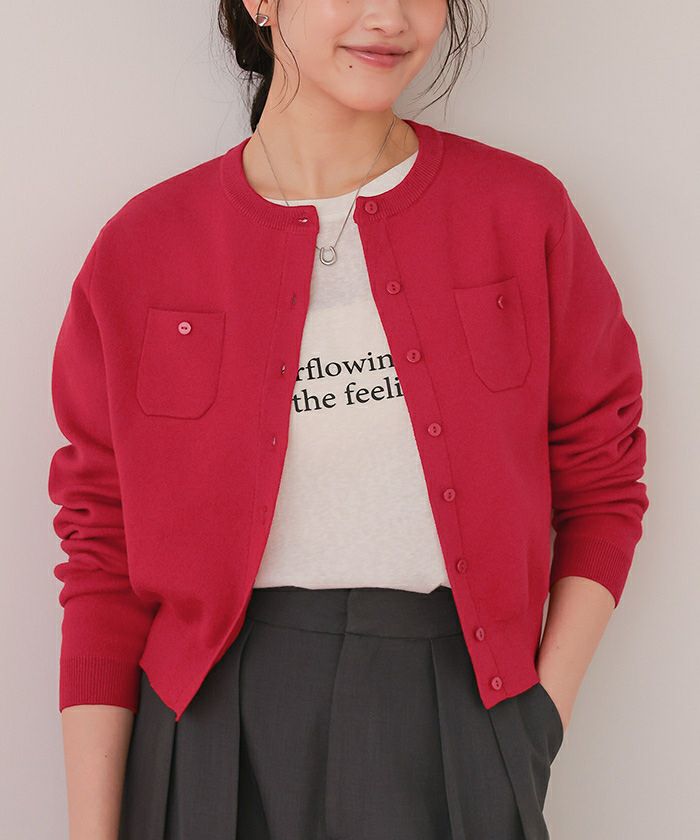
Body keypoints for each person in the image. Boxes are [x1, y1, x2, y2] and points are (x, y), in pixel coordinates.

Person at [49, 2, 649, 839]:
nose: (389, 16)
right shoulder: (144, 247)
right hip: (207, 730)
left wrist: (538, 714)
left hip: (456, 711)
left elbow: (604, 480)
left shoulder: (519, 213)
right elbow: (102, 550)